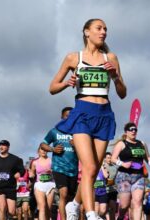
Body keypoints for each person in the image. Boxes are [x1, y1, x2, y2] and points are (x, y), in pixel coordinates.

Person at [50, 18, 127, 220]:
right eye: (99, 28)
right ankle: (91, 214)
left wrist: (115, 76)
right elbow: (52, 88)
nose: (103, 32)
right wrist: (68, 83)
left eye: (105, 29)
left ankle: (74, 204)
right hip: (82, 114)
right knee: (90, 167)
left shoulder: (111, 57)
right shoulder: (74, 58)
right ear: (86, 32)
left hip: (104, 115)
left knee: (91, 173)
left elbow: (122, 93)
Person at [111, 122, 150, 220]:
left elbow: (147, 157)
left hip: (138, 176)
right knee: (125, 205)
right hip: (124, 176)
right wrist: (123, 164)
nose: (133, 131)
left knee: (138, 202)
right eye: (131, 130)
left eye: (135, 130)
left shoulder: (142, 144)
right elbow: (113, 159)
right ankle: (120, 216)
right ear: (126, 132)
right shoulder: (122, 144)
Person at [40, 107, 79, 220]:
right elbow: (43, 144)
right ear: (62, 117)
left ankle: (71, 216)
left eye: (71, 116)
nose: (69, 118)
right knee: (64, 194)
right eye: (67, 116)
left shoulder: (78, 133)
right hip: (59, 167)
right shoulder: (54, 131)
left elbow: (85, 151)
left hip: (73, 170)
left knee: (71, 198)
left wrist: (76, 146)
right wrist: (53, 149)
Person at [30, 147, 56, 220]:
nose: (44, 151)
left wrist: (51, 171)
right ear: (38, 151)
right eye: (42, 150)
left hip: (50, 185)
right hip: (39, 185)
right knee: (42, 207)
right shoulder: (35, 162)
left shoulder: (51, 161)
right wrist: (31, 175)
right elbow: (32, 173)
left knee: (48, 208)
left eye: (45, 150)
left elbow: (56, 172)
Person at [104, 152, 119, 220]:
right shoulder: (102, 166)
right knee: (104, 209)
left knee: (112, 208)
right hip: (104, 190)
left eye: (110, 158)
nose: (109, 159)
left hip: (113, 189)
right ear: (105, 159)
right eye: (108, 158)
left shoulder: (114, 167)